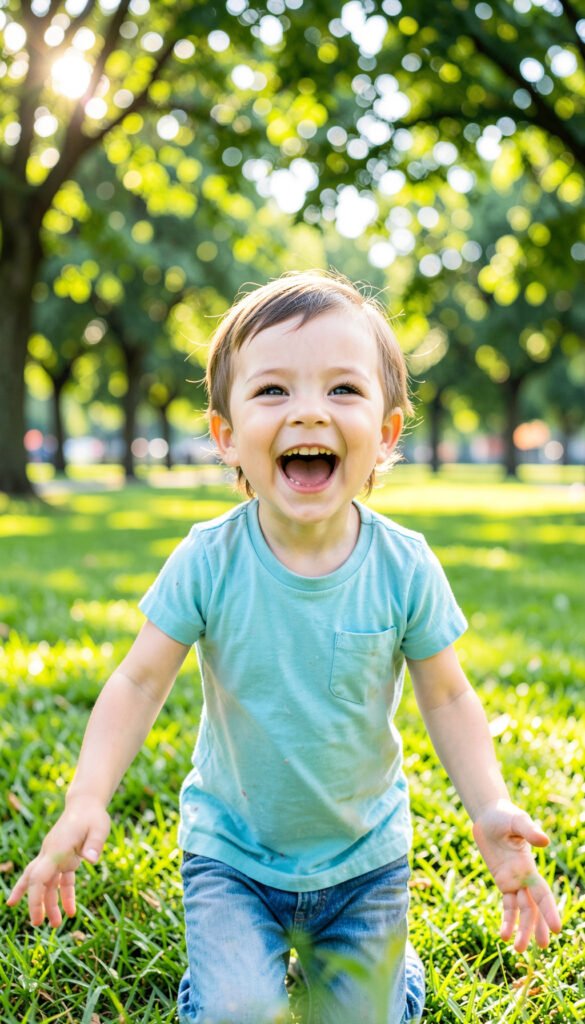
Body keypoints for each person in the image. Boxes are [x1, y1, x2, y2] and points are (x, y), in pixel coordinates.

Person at [8, 270, 561, 1024]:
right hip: (232, 856)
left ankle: (388, 974)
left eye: (342, 389)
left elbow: (449, 695)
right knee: (238, 1012)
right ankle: (230, 972)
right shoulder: (208, 560)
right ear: (226, 435)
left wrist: (490, 805)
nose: (307, 411)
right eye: (272, 390)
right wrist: (86, 797)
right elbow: (138, 683)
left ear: (386, 434)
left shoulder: (403, 566)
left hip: (364, 862)